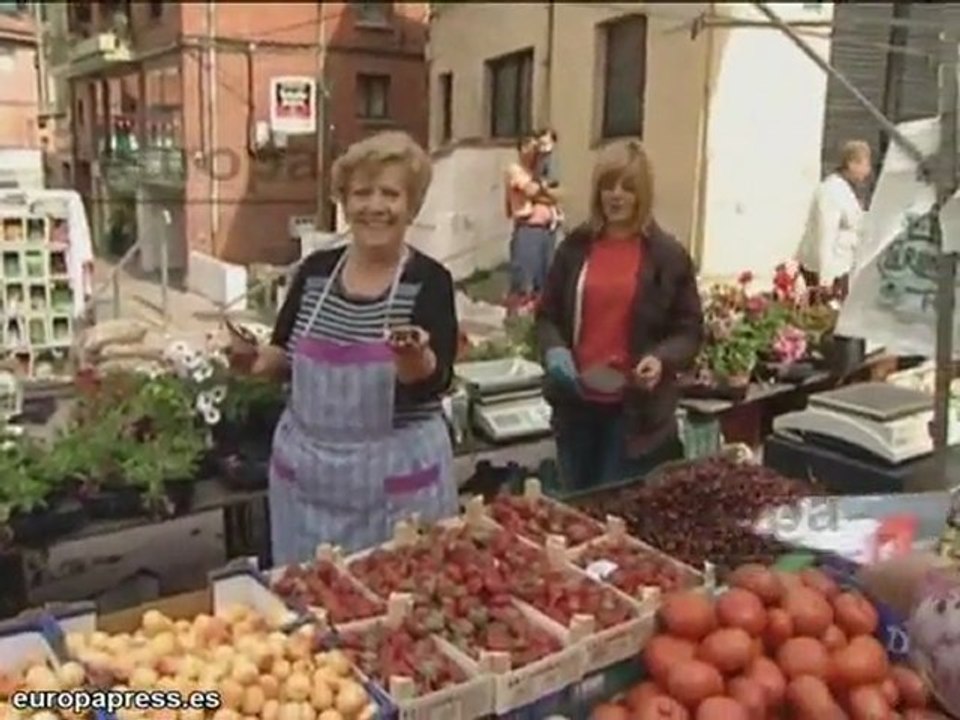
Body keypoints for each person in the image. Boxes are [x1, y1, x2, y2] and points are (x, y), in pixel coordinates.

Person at [233, 131, 460, 564]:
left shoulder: (428, 281)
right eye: (362, 193)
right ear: (344, 202)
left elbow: (435, 381)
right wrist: (252, 359)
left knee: (395, 603)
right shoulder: (315, 272)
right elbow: (283, 355)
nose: (375, 206)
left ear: (411, 206)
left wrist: (413, 358)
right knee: (308, 600)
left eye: (390, 194)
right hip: (308, 484)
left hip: (395, 483)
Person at [535, 139, 704, 490]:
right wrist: (554, 350)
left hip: (635, 417)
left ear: (643, 194)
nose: (616, 195)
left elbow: (689, 331)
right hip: (577, 409)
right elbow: (547, 315)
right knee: (577, 506)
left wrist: (660, 359)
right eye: (608, 186)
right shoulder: (574, 248)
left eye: (627, 188)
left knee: (615, 510)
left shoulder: (667, 257)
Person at [797, 140, 873, 299]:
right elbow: (826, 233)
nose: (868, 171)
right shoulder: (831, 191)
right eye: (865, 165)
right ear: (852, 164)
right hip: (827, 272)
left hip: (843, 267)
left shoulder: (847, 190)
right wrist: (825, 279)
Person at [504, 135, 561, 308]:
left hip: (547, 229)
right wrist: (547, 193)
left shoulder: (538, 171)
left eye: (535, 147)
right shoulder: (515, 170)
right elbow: (531, 191)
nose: (534, 151)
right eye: (528, 146)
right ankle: (518, 320)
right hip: (528, 228)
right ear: (520, 149)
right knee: (524, 279)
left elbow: (560, 193)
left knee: (545, 280)